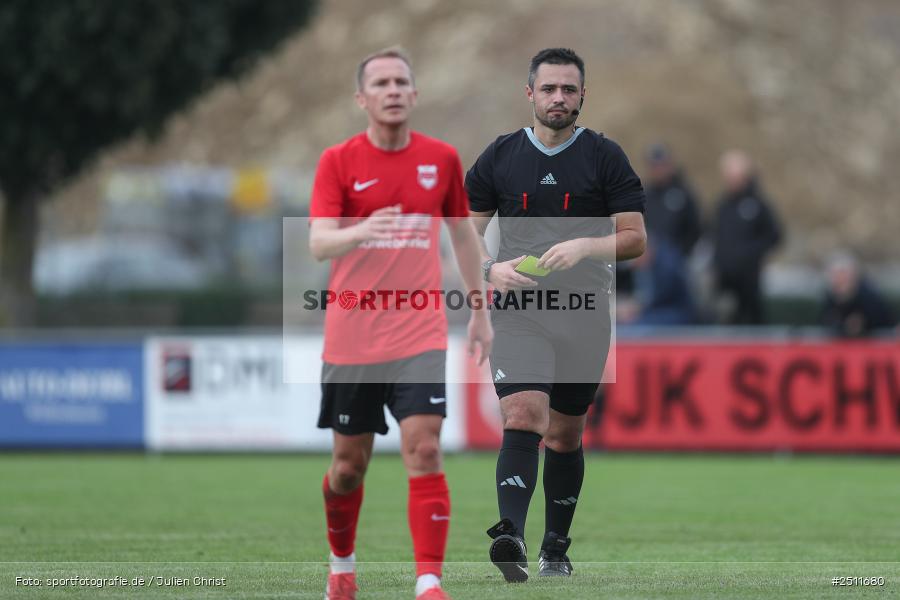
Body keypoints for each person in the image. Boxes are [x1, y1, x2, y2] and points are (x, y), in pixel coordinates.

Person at [308, 47, 493, 600]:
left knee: (426, 448)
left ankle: (429, 583)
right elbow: (319, 242)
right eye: (381, 83)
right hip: (353, 338)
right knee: (347, 468)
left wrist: (480, 311)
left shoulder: (441, 158)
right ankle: (342, 567)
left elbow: (463, 236)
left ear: (414, 94)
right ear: (361, 98)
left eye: (400, 82)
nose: (392, 90)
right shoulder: (338, 161)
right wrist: (362, 231)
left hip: (420, 333)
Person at [465, 48, 646, 582]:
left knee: (566, 435)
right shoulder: (500, 155)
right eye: (549, 89)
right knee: (523, 414)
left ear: (582, 95)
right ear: (530, 94)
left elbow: (635, 238)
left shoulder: (604, 156)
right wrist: (490, 269)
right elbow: (463, 231)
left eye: (568, 89)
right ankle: (511, 536)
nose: (558, 98)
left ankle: (555, 548)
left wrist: (587, 246)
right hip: (519, 310)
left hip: (584, 312)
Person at [711, 150, 781, 325]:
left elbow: (774, 235)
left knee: (752, 320)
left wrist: (751, 254)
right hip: (725, 278)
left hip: (750, 279)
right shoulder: (722, 205)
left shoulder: (758, 204)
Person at [618, 235, 696, 327]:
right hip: (658, 310)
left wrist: (634, 309)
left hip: (676, 312)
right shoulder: (648, 264)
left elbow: (658, 299)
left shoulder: (667, 265)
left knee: (636, 325)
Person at [643, 143, 702, 258]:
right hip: (649, 257)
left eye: (661, 165)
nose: (658, 170)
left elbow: (696, 227)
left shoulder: (684, 193)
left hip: (678, 257)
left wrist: (684, 252)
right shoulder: (644, 194)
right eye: (654, 166)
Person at [821, 251, 896, 337]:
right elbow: (827, 322)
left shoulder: (869, 296)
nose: (839, 279)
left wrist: (862, 323)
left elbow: (883, 321)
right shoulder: (830, 297)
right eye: (835, 275)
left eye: (842, 274)